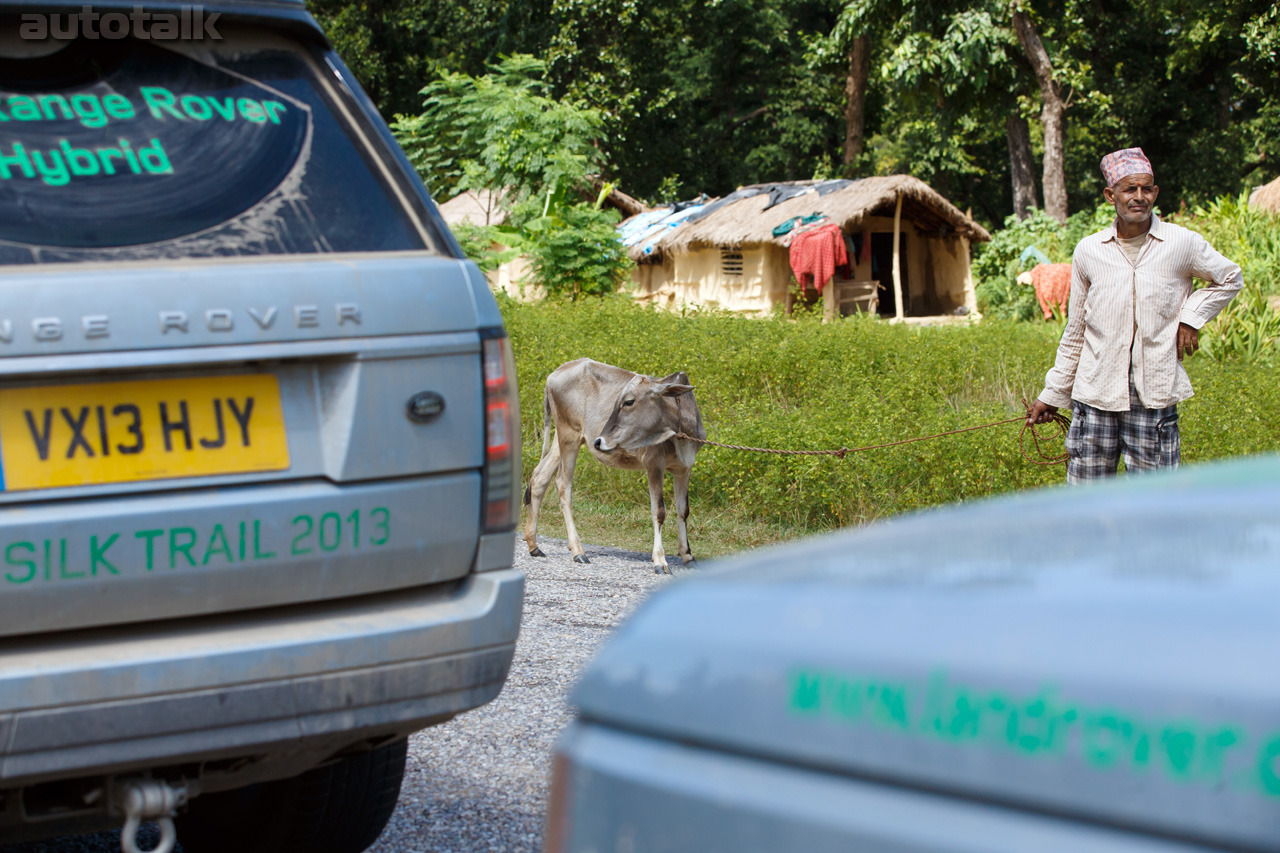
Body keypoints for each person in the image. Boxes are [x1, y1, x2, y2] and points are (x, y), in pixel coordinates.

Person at [1025, 147, 1242, 483]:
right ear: (1111, 195)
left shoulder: (1181, 243)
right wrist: (1052, 394)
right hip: (1096, 393)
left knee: (1154, 500)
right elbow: (1076, 330)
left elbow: (1230, 278)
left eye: (1147, 188)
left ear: (1155, 192)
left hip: (1152, 393)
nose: (1139, 197)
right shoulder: (1089, 251)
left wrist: (1191, 316)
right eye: (1129, 189)